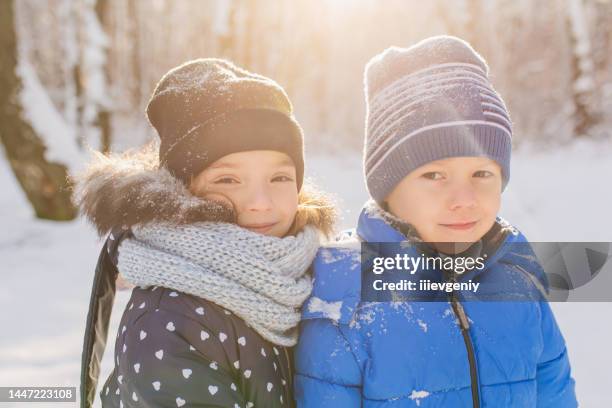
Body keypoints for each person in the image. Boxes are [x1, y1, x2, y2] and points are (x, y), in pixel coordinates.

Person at [294, 36, 577, 407]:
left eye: (482, 173)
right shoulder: (345, 297)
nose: (464, 199)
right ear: (388, 188)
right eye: (434, 176)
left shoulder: (518, 276)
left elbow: (554, 393)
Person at [75, 58, 336, 408]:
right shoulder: (168, 323)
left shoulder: (307, 273)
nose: (261, 203)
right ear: (182, 192)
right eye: (228, 180)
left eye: (280, 178)